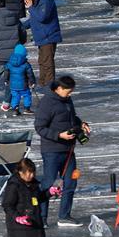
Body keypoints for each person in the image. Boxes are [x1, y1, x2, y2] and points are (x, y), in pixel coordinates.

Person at [34, 75, 89, 227]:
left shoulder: (66, 100)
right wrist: (59, 135)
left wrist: (81, 124)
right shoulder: (47, 103)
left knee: (71, 182)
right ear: (59, 89)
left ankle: (64, 216)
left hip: (69, 150)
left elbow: (71, 118)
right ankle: (42, 217)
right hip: (52, 150)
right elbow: (40, 127)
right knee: (48, 183)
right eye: (68, 91)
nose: (70, 94)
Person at [2, 158, 60, 237]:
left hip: (35, 224)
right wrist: (17, 218)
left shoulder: (33, 184)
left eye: (33, 172)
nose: (31, 175)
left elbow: (38, 198)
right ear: (20, 172)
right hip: (18, 227)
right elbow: (7, 205)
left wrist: (49, 192)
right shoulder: (13, 185)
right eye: (28, 172)